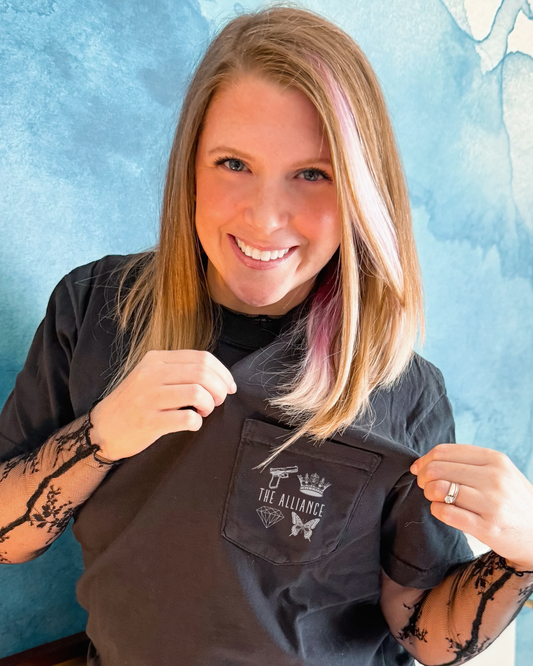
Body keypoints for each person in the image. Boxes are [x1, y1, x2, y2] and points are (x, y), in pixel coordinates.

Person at [0, 6, 532, 666]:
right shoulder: (93, 310)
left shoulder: (401, 389)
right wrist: (101, 436)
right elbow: (8, 538)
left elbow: (422, 628)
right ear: (190, 168)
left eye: (312, 174)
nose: (264, 217)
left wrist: (523, 554)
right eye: (233, 163)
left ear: (360, 193)